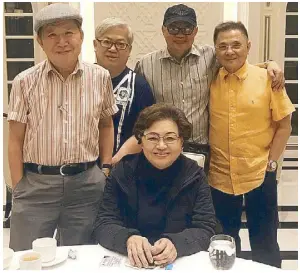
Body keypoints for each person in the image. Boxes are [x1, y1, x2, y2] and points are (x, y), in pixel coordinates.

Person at [8, 3, 118, 251]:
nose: (62, 42)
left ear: (81, 37)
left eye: (69, 33)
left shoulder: (100, 77)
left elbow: (106, 125)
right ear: (40, 41)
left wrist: (106, 168)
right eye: (52, 35)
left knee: (81, 256)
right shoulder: (24, 82)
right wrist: (19, 187)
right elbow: (15, 139)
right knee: (26, 257)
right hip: (36, 185)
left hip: (87, 185)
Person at [209, 21, 295, 268]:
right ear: (215, 51)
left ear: (248, 46)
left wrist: (272, 163)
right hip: (220, 175)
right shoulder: (211, 79)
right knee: (223, 241)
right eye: (222, 46)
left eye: (236, 45)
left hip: (259, 172)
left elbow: (284, 126)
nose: (230, 51)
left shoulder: (268, 80)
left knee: (265, 241)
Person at [134, 4, 284, 146]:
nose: (180, 34)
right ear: (163, 30)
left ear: (195, 31)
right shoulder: (145, 64)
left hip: (201, 147)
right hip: (163, 147)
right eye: (174, 28)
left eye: (187, 28)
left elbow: (238, 65)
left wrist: (268, 64)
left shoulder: (211, 56)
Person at [92, 103, 216, 268]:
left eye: (170, 138)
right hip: (130, 262)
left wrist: (176, 244)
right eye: (152, 138)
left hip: (178, 262)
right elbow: (104, 223)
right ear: (141, 141)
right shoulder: (123, 172)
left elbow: (206, 228)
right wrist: (127, 239)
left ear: (181, 142)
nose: (161, 146)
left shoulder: (194, 175)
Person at [93, 18, 155, 165]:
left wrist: (111, 163)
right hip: (83, 172)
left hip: (124, 168)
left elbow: (147, 131)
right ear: (95, 45)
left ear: (129, 50)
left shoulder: (139, 86)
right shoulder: (81, 80)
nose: (113, 49)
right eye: (107, 42)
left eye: (120, 44)